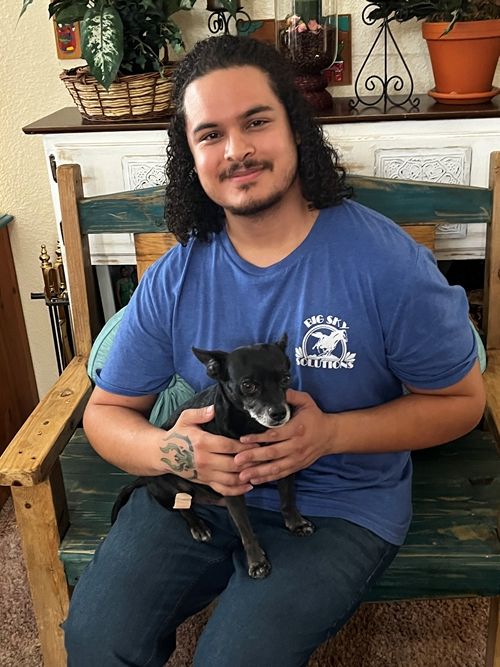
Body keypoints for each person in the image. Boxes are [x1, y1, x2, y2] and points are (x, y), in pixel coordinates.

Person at [63, 34, 485, 666]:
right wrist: (175, 451)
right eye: (210, 134)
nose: (236, 149)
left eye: (256, 121)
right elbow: (105, 413)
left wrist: (329, 436)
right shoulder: (175, 276)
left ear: (294, 128)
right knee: (97, 641)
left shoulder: (386, 263)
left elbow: (462, 402)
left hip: (338, 503)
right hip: (199, 491)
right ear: (191, 155)